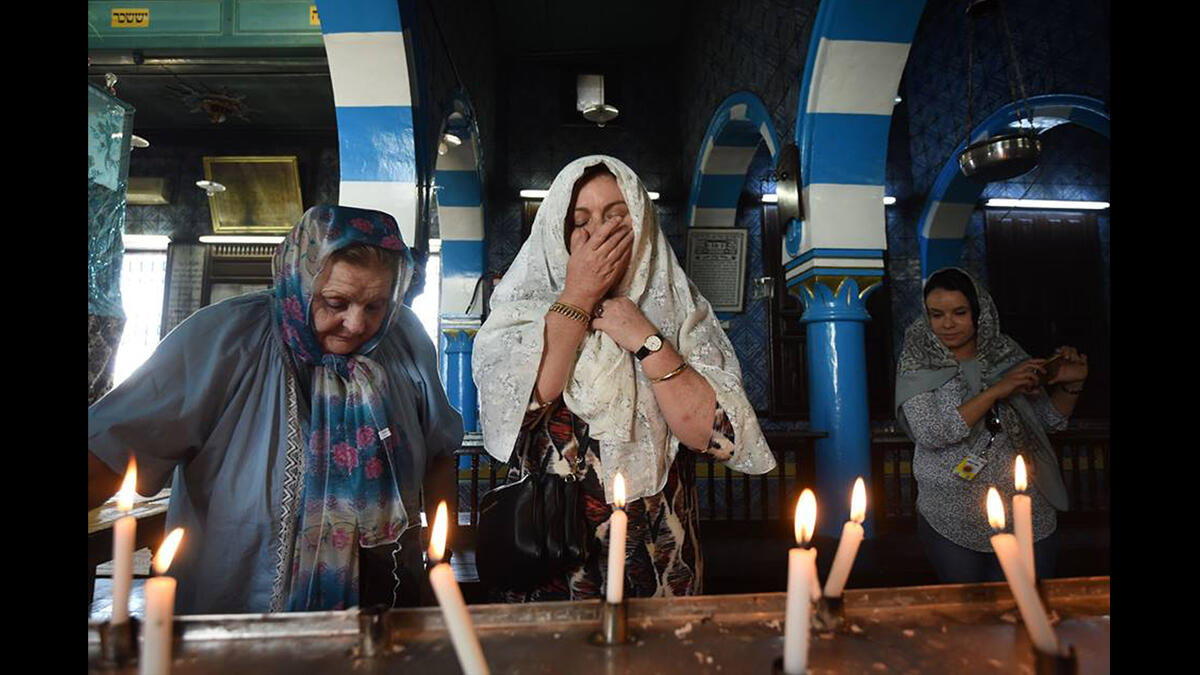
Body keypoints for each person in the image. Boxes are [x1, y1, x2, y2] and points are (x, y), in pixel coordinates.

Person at [88, 205, 463, 614]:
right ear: (297, 282)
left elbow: (439, 452)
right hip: (240, 611)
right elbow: (109, 452)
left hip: (384, 604)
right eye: (336, 302)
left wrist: (437, 563)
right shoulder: (223, 339)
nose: (356, 325)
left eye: (374, 306)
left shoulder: (404, 338)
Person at [473, 156, 776, 601]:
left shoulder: (682, 312)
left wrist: (646, 338)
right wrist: (577, 296)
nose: (599, 231)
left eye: (616, 215)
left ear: (643, 223)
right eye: (581, 220)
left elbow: (716, 436)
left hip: (659, 556)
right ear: (557, 232)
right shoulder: (520, 311)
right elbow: (519, 414)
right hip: (551, 555)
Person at [894, 267, 1088, 583]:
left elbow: (1048, 422)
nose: (948, 323)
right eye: (936, 314)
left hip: (1026, 511)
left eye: (959, 312)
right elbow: (931, 432)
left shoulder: (1006, 355)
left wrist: (1071, 385)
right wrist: (997, 390)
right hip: (951, 515)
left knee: (1028, 609)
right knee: (972, 616)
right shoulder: (918, 364)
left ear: (979, 312)